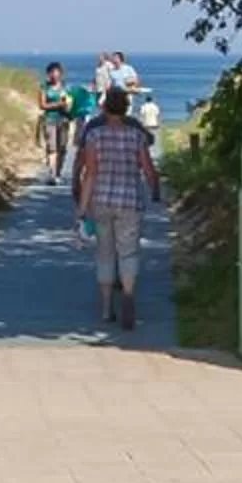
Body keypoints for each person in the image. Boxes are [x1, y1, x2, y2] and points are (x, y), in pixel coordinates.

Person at [75, 88, 161, 331]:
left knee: (105, 253)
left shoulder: (95, 137)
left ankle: (105, 309)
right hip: (129, 201)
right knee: (128, 252)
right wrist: (155, 189)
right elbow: (148, 169)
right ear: (126, 107)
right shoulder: (136, 136)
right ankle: (129, 294)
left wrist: (82, 209)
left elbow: (90, 174)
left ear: (104, 108)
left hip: (101, 200)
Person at [35, 62, 75, 184]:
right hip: (49, 120)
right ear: (48, 74)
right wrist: (58, 104)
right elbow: (42, 105)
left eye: (57, 72)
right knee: (52, 147)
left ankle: (58, 172)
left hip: (63, 120)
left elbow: (71, 103)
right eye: (52, 72)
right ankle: (52, 173)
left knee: (62, 148)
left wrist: (69, 107)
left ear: (61, 74)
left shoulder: (66, 87)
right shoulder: (44, 87)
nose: (54, 75)